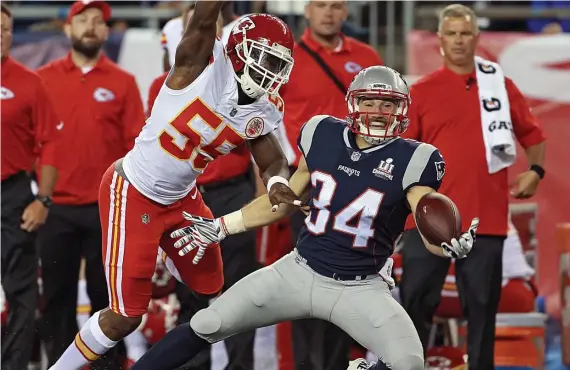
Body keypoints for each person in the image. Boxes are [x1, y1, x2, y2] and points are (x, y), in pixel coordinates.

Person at [131, 65, 480, 370]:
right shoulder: (322, 133)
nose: (377, 111)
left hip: (360, 286)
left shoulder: (415, 158)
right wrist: (222, 226)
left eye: (387, 104)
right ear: (353, 104)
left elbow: (427, 215)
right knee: (208, 322)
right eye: (369, 102)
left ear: (401, 110)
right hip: (299, 270)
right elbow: (283, 201)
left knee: (408, 362)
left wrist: (449, 243)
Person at [48, 2, 299, 369]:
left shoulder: (263, 107)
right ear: (239, 49)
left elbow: (272, 157)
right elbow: (202, 16)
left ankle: (163, 248)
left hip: (183, 199)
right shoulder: (199, 65)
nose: (270, 71)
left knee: (211, 286)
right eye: (265, 58)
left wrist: (277, 181)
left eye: (278, 63)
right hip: (134, 192)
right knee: (125, 316)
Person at [399, 4, 547, 370]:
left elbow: (533, 135)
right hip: (427, 220)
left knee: (481, 312)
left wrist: (536, 170)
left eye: (465, 33)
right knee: (414, 305)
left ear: (476, 38)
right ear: (440, 40)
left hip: (486, 220)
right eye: (451, 33)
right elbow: (403, 158)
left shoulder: (499, 87)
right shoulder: (420, 92)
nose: (459, 40)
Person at [35, 1, 146, 368]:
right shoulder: (43, 79)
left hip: (107, 211)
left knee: (108, 299)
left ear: (106, 31)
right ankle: (56, 364)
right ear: (67, 29)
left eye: (98, 21)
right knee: (56, 296)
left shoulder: (124, 82)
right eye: (82, 20)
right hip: (57, 208)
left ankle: (110, 366)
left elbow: (136, 147)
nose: (90, 26)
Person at [280, 2, 384, 367]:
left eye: (337, 5)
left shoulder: (369, 58)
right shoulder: (287, 57)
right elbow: (263, 119)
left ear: (346, 12)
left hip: (357, 190)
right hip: (306, 186)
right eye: (321, 4)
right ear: (307, 10)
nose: (328, 12)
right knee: (301, 287)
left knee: (346, 285)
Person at [0, 4, 60, 369]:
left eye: (5, 29)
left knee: (21, 292)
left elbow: (50, 145)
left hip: (13, 194)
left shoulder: (29, 82)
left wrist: (44, 200)